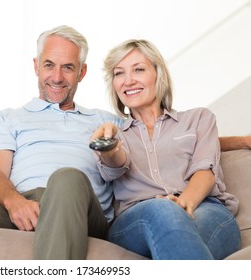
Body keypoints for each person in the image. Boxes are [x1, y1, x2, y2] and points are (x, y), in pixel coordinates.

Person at [0, 25, 124, 259]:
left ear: (82, 72)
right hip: (22, 205)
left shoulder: (107, 121)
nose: (57, 77)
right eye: (49, 65)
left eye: (68, 67)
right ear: (36, 66)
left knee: (67, 177)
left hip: (80, 207)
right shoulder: (8, 118)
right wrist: (15, 202)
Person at [91, 39, 241, 260]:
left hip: (205, 208)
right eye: (119, 73)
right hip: (136, 218)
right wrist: (109, 149)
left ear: (158, 74)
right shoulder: (113, 134)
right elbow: (116, 163)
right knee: (163, 210)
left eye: (139, 69)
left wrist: (181, 204)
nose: (128, 80)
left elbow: (205, 171)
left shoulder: (198, 118)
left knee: (179, 231)